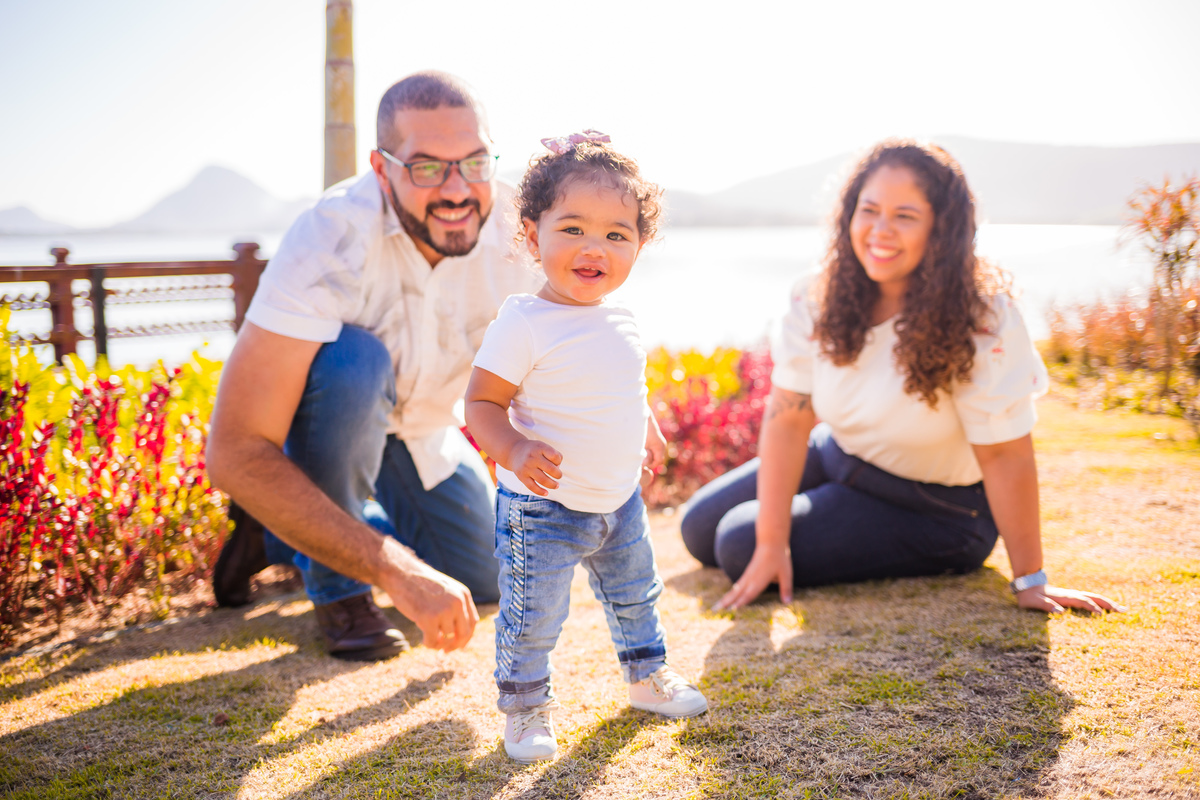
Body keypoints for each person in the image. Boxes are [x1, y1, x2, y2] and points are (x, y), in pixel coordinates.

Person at [679, 140, 1125, 616]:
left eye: (905, 216)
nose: (880, 230)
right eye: (869, 210)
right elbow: (789, 418)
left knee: (736, 543)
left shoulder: (983, 319)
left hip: (940, 509)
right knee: (698, 527)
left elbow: (1004, 453)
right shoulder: (817, 295)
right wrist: (775, 541)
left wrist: (1030, 579)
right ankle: (812, 514)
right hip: (841, 454)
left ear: (941, 229)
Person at [206, 71, 542, 661]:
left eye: (474, 161)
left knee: (489, 580)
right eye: (427, 167)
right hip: (331, 416)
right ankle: (341, 592)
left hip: (422, 435)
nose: (458, 189)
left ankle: (278, 532)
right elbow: (233, 450)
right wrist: (394, 574)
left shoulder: (520, 232)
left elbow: (554, 359)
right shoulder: (329, 235)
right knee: (354, 362)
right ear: (382, 167)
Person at [464, 132, 708, 763]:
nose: (594, 248)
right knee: (534, 617)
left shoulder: (622, 317)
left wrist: (646, 426)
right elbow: (482, 405)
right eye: (572, 228)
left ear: (639, 245)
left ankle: (647, 678)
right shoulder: (523, 321)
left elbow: (625, 387)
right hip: (541, 509)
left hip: (619, 500)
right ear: (531, 232)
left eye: (616, 234)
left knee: (638, 595)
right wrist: (513, 451)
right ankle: (525, 709)